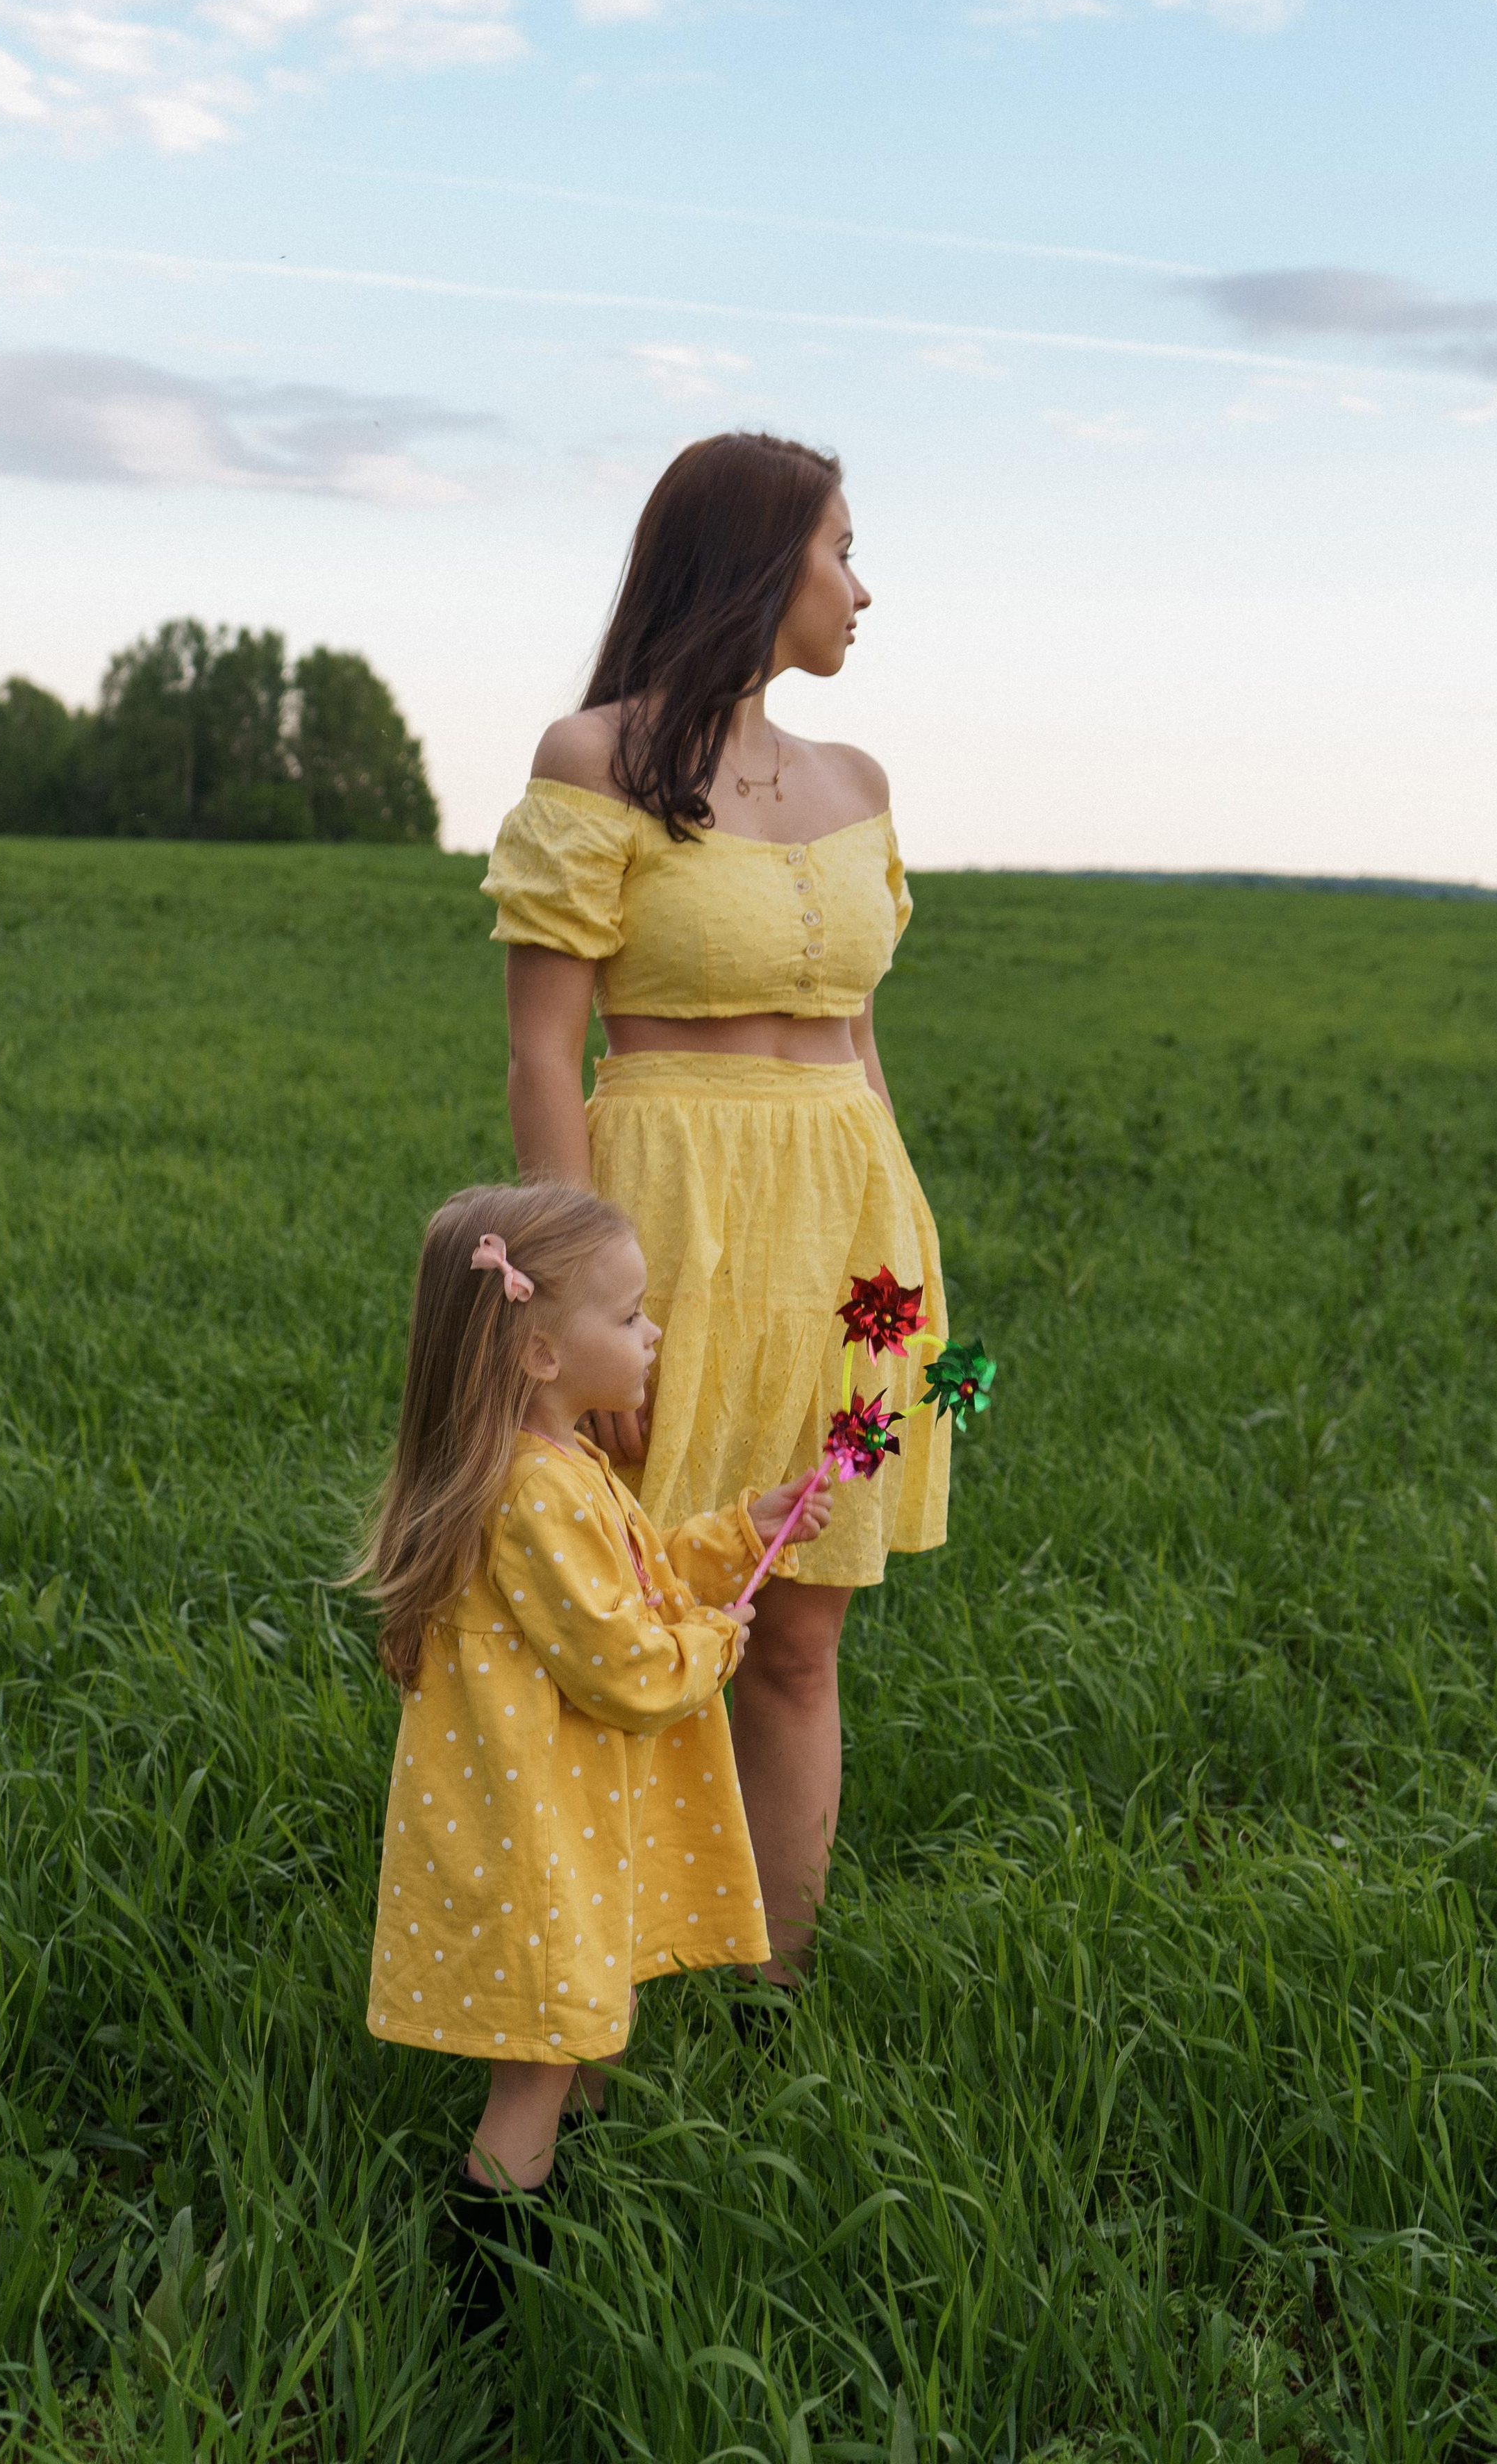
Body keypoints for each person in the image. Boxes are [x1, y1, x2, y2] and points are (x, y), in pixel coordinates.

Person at [482, 431, 948, 1990]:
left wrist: (906, 1269)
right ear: (759, 565)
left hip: (844, 1233)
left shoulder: (854, 782)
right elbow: (545, 1052)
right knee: (634, 1615)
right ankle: (587, 1999)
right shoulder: (592, 759)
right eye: (838, 552)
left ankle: (771, 1999)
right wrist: (571, 1304)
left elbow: (862, 1050)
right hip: (665, 1216)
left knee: (797, 1634)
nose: (861, 589)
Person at [356, 1178, 830, 2320]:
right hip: (538, 1844)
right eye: (627, 1317)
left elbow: (633, 1577)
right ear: (537, 1355)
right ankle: (484, 2300)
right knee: (540, 2070)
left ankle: (570, 2197)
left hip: (548, 1823)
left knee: (572, 2039)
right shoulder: (537, 1497)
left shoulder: (551, 1474)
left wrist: (734, 1538)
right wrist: (714, 1646)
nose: (652, 1330)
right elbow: (621, 1662)